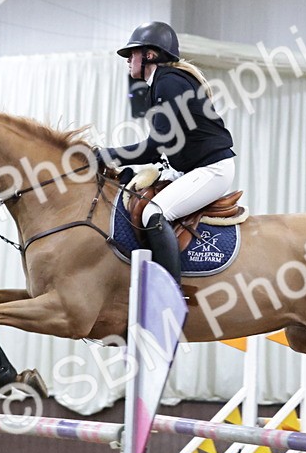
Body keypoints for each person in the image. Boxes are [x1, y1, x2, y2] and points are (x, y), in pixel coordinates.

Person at [99, 21, 236, 281]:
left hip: (211, 170)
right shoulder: (161, 83)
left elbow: (154, 147)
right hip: (188, 168)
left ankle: (170, 294)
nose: (128, 59)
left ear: (150, 54)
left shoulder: (169, 83)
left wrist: (107, 154)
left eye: (132, 53)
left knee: (155, 213)